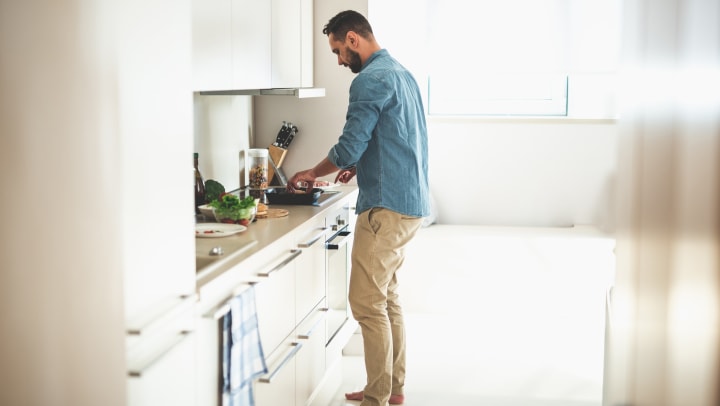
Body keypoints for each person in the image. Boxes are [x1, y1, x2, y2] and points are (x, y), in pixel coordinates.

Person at [286, 10, 430, 406]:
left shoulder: (370, 79)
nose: (338, 61)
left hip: (385, 207)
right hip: (409, 202)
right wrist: (360, 164)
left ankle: (376, 398)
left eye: (337, 50)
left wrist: (312, 173)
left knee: (367, 303)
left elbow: (350, 144)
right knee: (387, 300)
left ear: (353, 39)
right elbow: (396, 136)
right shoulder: (401, 73)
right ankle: (390, 389)